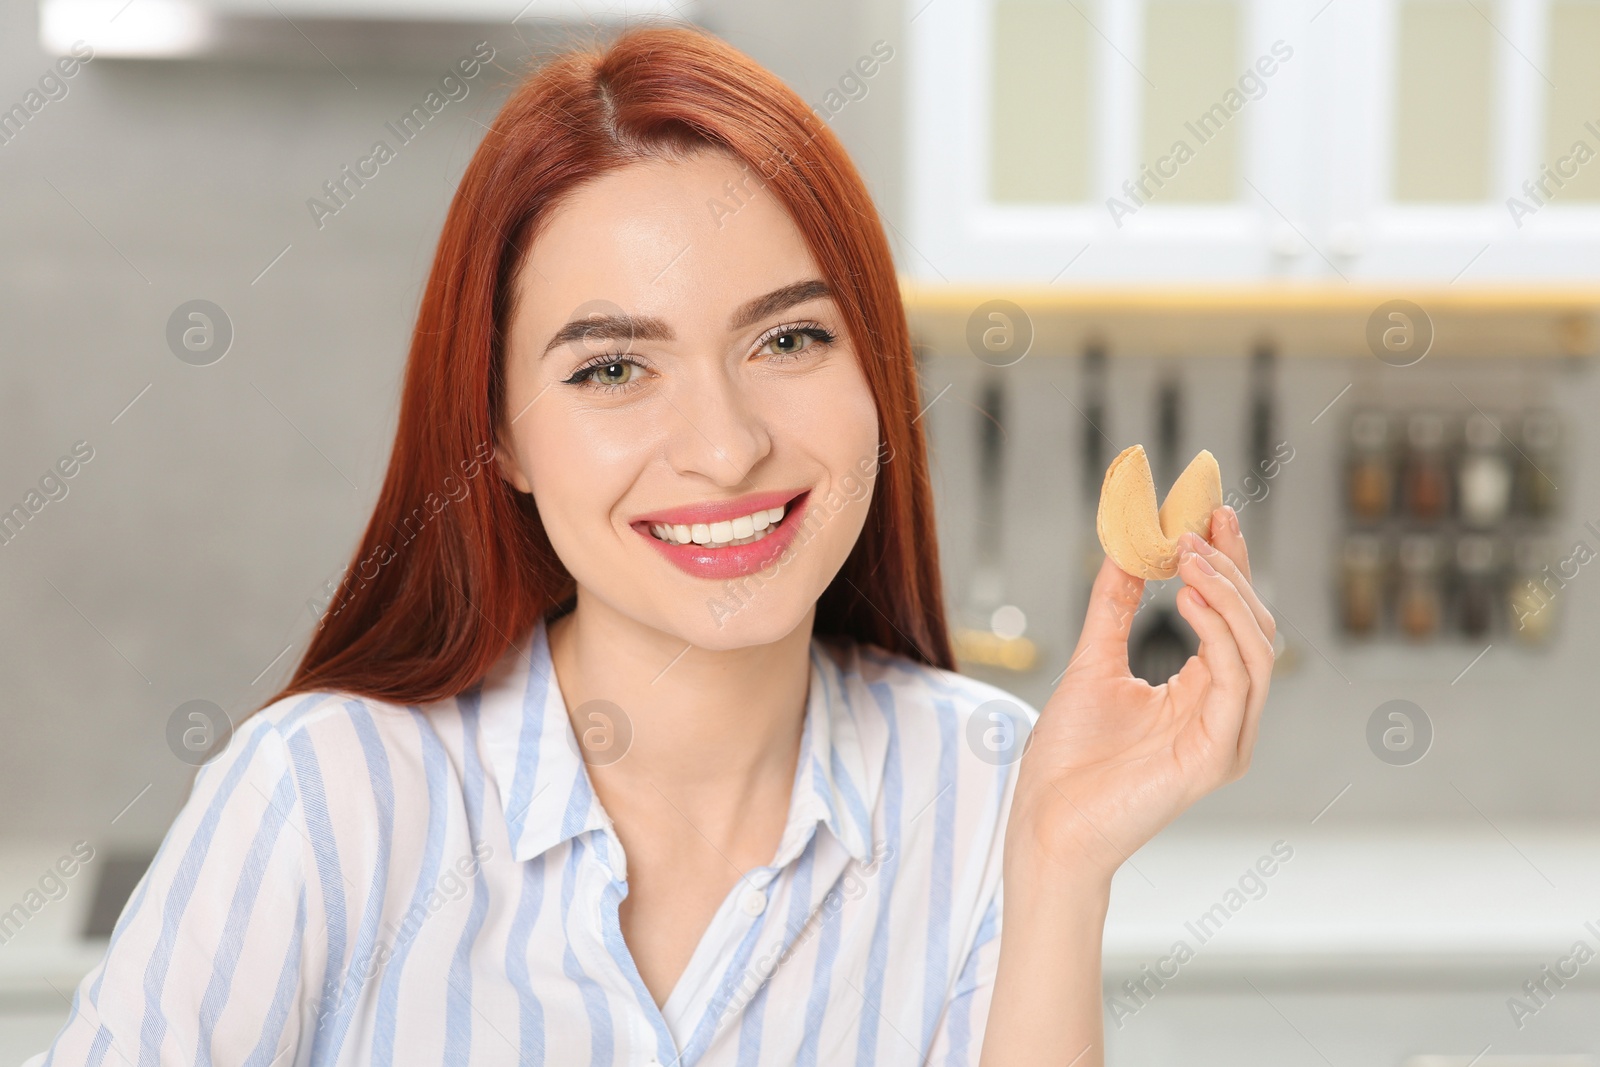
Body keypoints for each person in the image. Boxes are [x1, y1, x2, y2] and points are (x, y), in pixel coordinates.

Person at [30, 23, 1274, 1067]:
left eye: (787, 340)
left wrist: (1059, 866)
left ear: (879, 375)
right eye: (614, 367)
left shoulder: (992, 791)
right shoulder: (324, 798)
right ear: (499, 436)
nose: (724, 448)